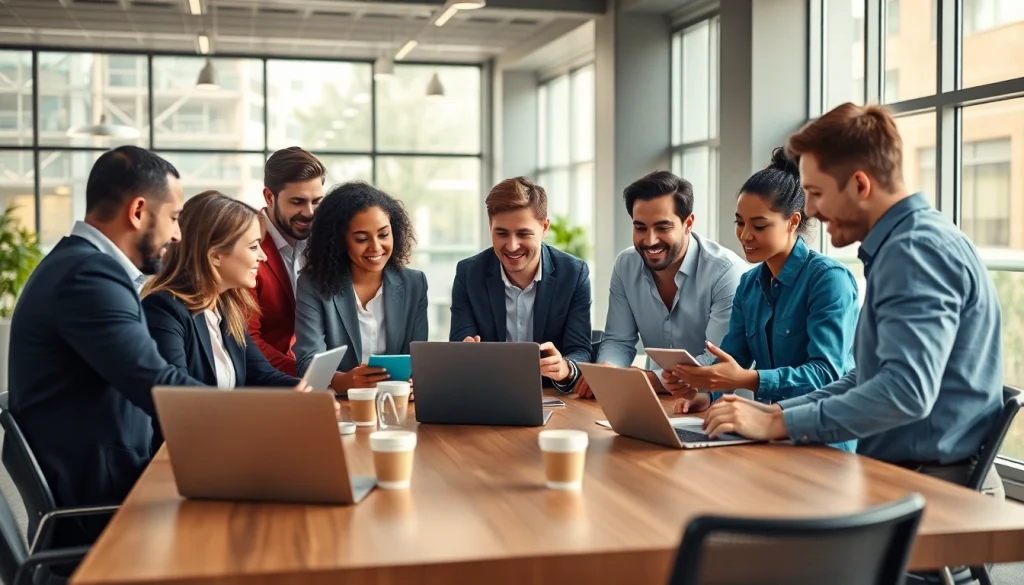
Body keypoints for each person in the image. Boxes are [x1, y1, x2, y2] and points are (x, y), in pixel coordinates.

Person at [701, 103, 1005, 499]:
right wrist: (777, 414)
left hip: (932, 488)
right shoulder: (904, 245)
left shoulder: (914, 253)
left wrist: (780, 425)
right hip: (907, 476)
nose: (809, 211)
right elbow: (865, 377)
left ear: (860, 185)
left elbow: (904, 392)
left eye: (815, 194)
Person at [2, 146, 205, 548]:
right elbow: (155, 381)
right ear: (138, 211)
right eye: (174, 218)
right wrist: (259, 419)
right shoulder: (87, 274)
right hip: (102, 508)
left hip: (112, 485)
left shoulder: (79, 264)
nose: (178, 235)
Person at [663, 148, 859, 453]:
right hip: (766, 438)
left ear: (793, 222)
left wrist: (751, 380)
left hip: (825, 444)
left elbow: (825, 374)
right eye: (739, 222)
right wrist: (706, 393)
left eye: (759, 225)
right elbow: (734, 357)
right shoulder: (749, 284)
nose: (745, 235)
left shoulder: (828, 279)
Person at [141, 192, 313, 447]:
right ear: (215, 255)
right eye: (254, 247)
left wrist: (308, 393)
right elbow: (176, 398)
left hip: (225, 444)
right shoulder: (164, 310)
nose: (263, 257)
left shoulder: (226, 307)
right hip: (183, 454)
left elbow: (263, 376)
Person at [576, 170, 746, 398]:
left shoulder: (726, 272)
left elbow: (718, 356)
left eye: (662, 228)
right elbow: (619, 339)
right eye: (640, 228)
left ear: (688, 223)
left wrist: (654, 380)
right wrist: (610, 370)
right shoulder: (626, 265)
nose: (650, 240)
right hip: (658, 402)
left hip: (721, 405)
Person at [449, 177, 592, 391]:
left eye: (523, 234)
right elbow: (459, 343)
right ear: (490, 227)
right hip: (487, 392)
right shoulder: (469, 273)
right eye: (502, 233)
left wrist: (565, 368)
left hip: (549, 395)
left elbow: (580, 350)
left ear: (544, 228)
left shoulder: (573, 273)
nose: (512, 245)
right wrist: (464, 352)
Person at [293, 181, 428, 394]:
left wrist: (414, 382)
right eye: (362, 239)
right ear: (339, 241)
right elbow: (307, 361)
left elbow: (419, 359)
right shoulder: (313, 284)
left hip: (396, 403)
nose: (376, 247)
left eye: (384, 234)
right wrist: (342, 381)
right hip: (339, 404)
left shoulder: (414, 283)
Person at [248, 147, 327, 376]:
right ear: (269, 197)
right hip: (265, 384)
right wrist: (310, 376)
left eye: (317, 201)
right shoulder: (246, 242)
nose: (309, 212)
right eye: (297, 201)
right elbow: (247, 340)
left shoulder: (321, 242)